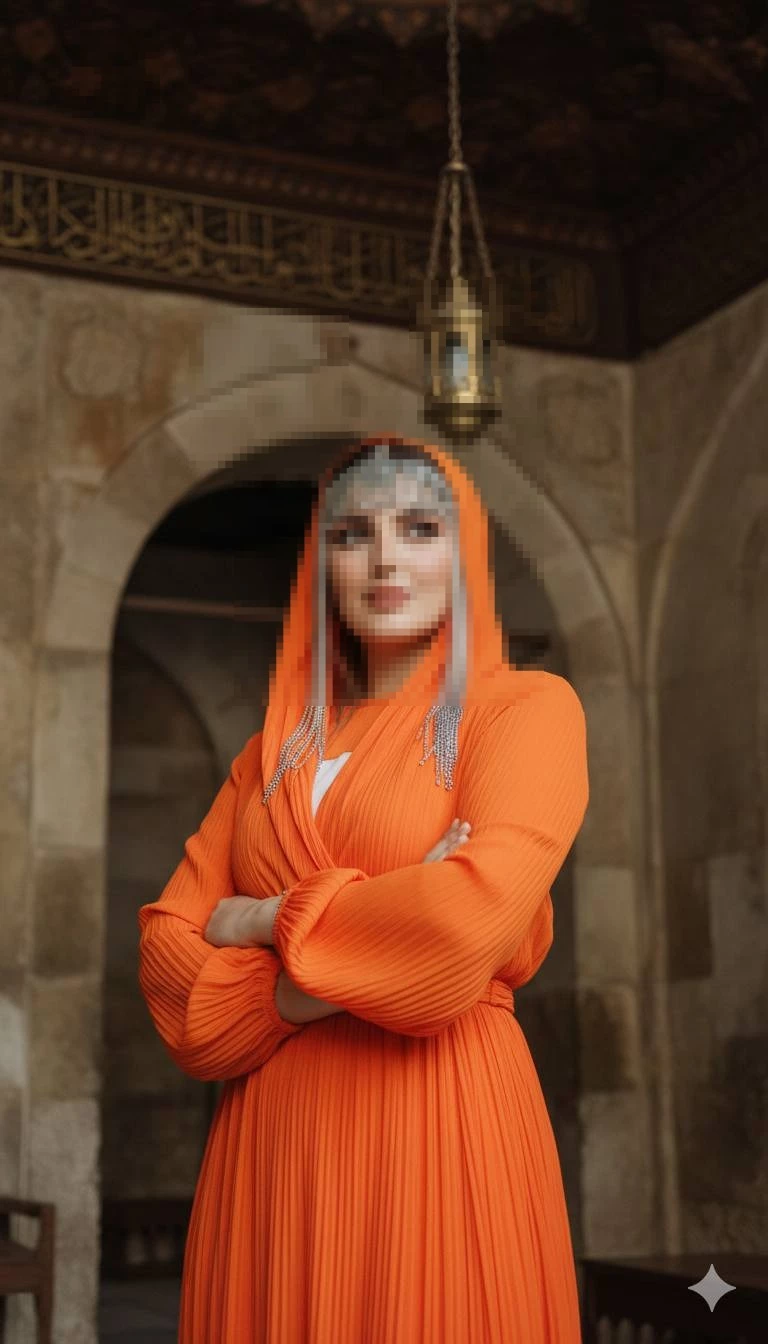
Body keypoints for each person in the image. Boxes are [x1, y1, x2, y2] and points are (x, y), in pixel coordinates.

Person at [137, 434, 589, 1343]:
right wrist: (374, 932)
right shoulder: (267, 762)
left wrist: (261, 920)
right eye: (353, 535)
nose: (385, 558)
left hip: (434, 1128)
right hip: (266, 1158)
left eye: (419, 528)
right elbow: (167, 971)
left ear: (460, 553)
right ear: (321, 565)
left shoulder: (524, 712)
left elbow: (461, 932)